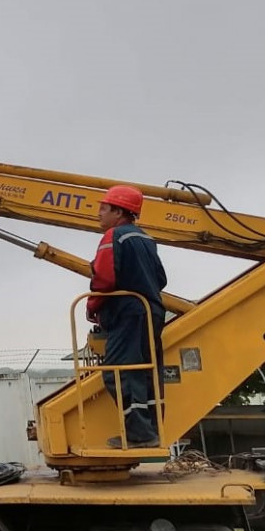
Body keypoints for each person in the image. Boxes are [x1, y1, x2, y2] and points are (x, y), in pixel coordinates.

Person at [86, 185, 168, 449]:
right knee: (146, 371)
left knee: (119, 372)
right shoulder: (146, 239)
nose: (99, 213)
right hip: (151, 310)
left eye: (104, 208)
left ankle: (140, 435)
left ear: (119, 211)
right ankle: (152, 430)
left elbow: (105, 278)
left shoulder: (114, 236)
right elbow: (161, 279)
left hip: (127, 313)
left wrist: (93, 305)